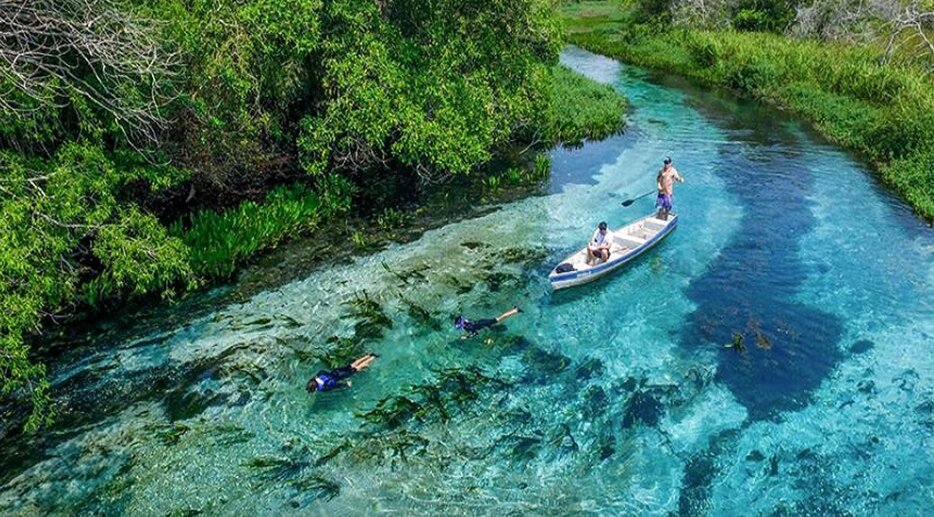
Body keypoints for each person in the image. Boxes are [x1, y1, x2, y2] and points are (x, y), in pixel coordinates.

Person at [306, 353, 378, 393]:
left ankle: (372, 358)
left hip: (341, 376)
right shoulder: (319, 375)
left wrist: (346, 384)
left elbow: (335, 386)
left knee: (357, 368)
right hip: (336, 371)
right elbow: (323, 371)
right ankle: (368, 356)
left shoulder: (324, 388)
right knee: (352, 365)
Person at [454, 306, 522, 339]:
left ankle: (515, 310)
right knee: (492, 327)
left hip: (484, 323)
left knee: (501, 317)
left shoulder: (467, 328)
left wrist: (467, 337)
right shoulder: (467, 321)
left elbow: (475, 333)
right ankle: (513, 309)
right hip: (482, 322)